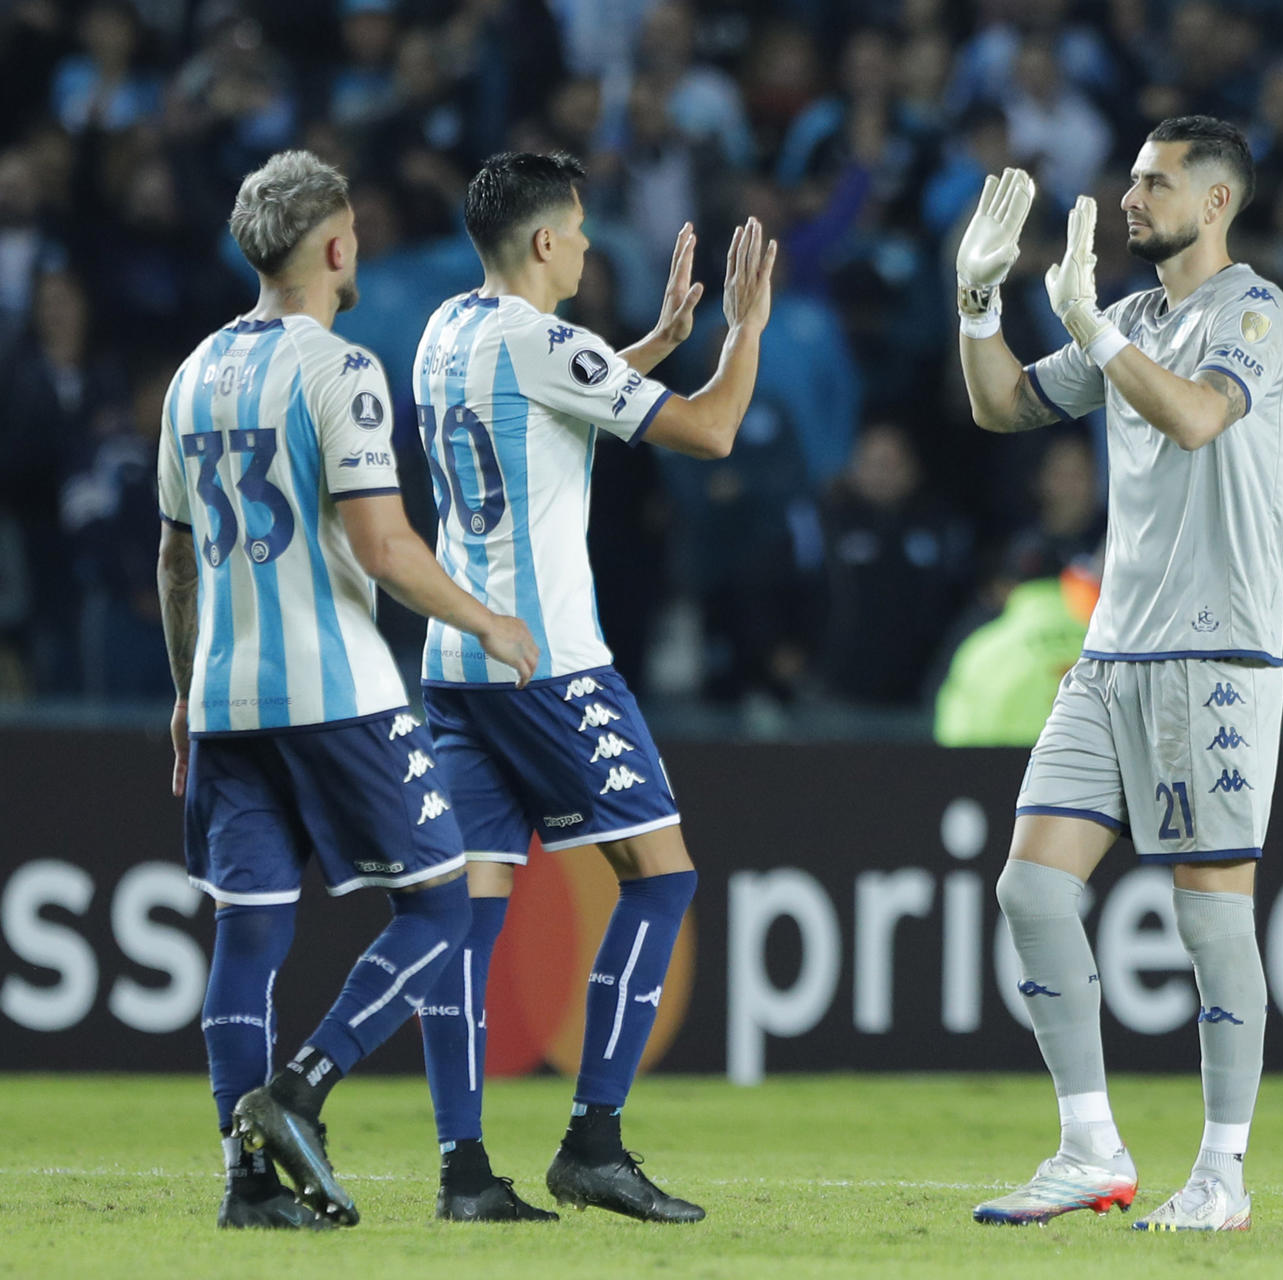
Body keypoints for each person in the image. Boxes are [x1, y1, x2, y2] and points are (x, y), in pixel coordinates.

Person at [155, 150, 538, 1232]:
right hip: (339, 692)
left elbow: (175, 563)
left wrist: (186, 692)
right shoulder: (342, 369)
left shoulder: (189, 376)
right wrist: (483, 616)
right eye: (356, 232)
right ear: (332, 245)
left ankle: (247, 1186)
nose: (360, 247)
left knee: (247, 938)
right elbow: (382, 542)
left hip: (225, 698)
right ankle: (302, 1089)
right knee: (439, 902)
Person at [409, 150, 775, 1224]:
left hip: (456, 666)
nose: (586, 244)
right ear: (539, 243)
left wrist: (655, 344)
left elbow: (548, 402)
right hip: (552, 664)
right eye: (574, 228)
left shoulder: (448, 330)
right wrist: (742, 328)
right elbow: (708, 430)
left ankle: (463, 1169)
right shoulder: (544, 339)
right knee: (660, 879)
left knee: (469, 923)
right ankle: (594, 1139)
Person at [954, 116, 1283, 1232]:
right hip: (1114, 654)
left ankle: (1224, 1173)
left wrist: (1097, 335)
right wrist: (975, 304)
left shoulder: (1255, 313)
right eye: (1134, 176)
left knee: (1210, 921)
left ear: (1217, 204)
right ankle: (1089, 1145)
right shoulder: (1138, 316)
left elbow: (1198, 417)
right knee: (1031, 887)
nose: (1132, 196)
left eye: (1157, 182)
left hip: (1216, 652)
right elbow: (999, 403)